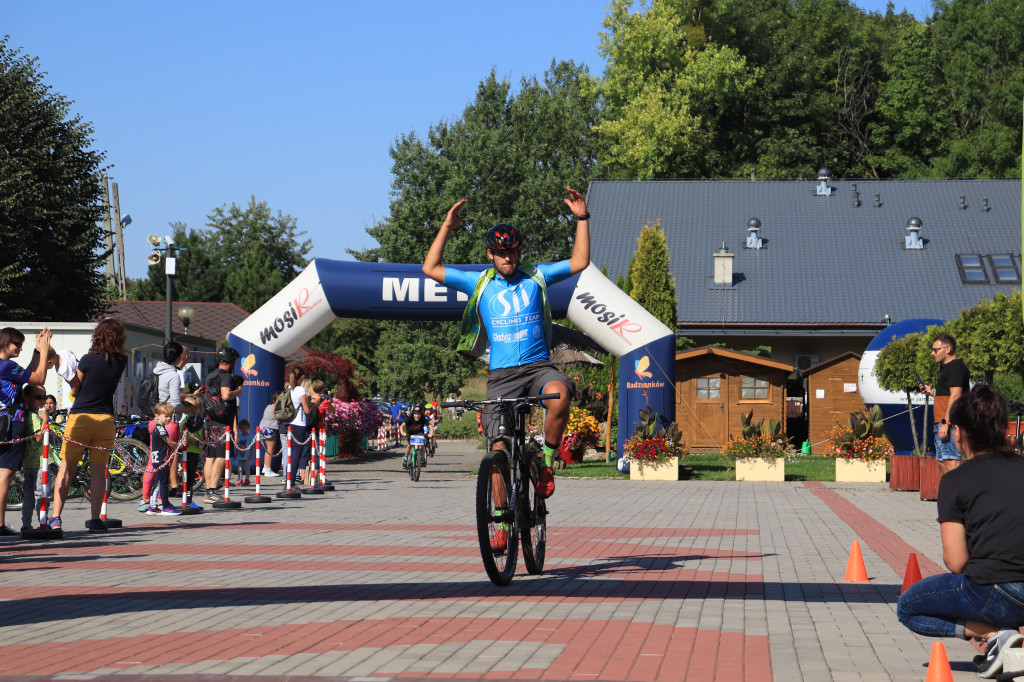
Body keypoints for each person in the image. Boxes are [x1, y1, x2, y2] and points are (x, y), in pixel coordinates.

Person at [422, 187, 589, 550]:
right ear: (490, 255)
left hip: (538, 368)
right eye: (500, 253)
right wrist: (447, 226)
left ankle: (545, 462)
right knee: (496, 448)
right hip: (501, 376)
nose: (507, 257)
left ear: (519, 252)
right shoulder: (477, 282)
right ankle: (499, 520)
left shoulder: (537, 276)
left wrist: (581, 219)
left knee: (560, 395)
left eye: (511, 251)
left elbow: (579, 262)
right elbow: (430, 268)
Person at [897, 384, 1024, 678]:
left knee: (908, 607)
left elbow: (956, 562)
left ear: (960, 433)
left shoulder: (956, 481)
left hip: (995, 591)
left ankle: (992, 634)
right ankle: (1004, 639)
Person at [52, 318, 127, 532]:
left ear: (98, 335)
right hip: (105, 421)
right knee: (98, 472)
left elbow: (76, 389)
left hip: (81, 418)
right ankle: (95, 519)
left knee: (66, 468)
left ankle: (56, 517)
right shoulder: (122, 361)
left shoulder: (87, 359)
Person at [0, 327, 51, 535]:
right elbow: (38, 378)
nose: (20, 348)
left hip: (4, 423)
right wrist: (45, 351)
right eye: (16, 343)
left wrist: (37, 352)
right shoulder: (6, 366)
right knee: (5, 475)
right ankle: (0, 525)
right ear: (4, 342)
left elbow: (26, 374)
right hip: (12, 425)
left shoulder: (6, 367)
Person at [921, 333, 971, 474]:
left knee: (951, 464)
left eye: (935, 350)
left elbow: (956, 395)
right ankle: (950, 495)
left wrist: (947, 422)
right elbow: (948, 395)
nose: (932, 353)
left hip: (948, 424)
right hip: (942, 423)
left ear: (947, 349)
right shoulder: (949, 368)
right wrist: (931, 393)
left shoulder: (955, 366)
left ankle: (960, 496)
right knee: (942, 463)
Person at [202, 347, 243, 505]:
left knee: (210, 456)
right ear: (231, 361)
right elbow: (226, 395)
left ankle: (208, 489)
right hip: (222, 423)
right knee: (221, 456)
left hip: (209, 419)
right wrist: (238, 391)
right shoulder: (226, 377)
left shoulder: (210, 375)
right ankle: (212, 491)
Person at [20, 387, 52, 532]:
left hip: (29, 462)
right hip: (39, 462)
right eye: (38, 397)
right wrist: (45, 419)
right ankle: (42, 522)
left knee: (29, 496)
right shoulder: (33, 416)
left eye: (44, 398)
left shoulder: (28, 415)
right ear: (27, 398)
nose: (43, 401)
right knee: (42, 494)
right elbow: (39, 437)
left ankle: (26, 524)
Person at [145, 402, 181, 516]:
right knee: (164, 483)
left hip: (157, 459)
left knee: (158, 483)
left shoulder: (158, 427)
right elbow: (169, 442)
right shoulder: (160, 428)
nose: (168, 418)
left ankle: (153, 505)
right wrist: (179, 445)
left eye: (170, 415)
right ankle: (165, 506)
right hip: (161, 459)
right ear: (157, 416)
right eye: (166, 416)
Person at [284, 366, 312, 488]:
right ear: (301, 377)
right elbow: (306, 410)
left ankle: (287, 480)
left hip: (288, 423)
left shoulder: (288, 388)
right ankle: (291, 483)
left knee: (289, 453)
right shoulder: (300, 390)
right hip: (299, 424)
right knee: (296, 454)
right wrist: (313, 404)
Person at [400, 404, 431, 469]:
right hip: (410, 433)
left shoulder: (422, 419)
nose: (417, 416)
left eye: (419, 414)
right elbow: (401, 426)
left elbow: (431, 427)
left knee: (421, 445)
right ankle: (405, 458)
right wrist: (402, 432)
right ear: (413, 414)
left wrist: (431, 433)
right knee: (410, 445)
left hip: (419, 432)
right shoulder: (409, 419)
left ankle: (422, 458)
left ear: (421, 414)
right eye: (415, 414)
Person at [258, 393, 281, 476]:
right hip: (269, 427)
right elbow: (279, 417)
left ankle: (265, 467)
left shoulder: (270, 405)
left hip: (264, 427)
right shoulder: (275, 406)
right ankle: (268, 469)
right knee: (270, 449)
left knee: (268, 449)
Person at [234, 419, 252, 486]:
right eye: (242, 428)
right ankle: (240, 479)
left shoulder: (250, 436)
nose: (243, 429)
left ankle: (247, 479)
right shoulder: (239, 436)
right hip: (240, 455)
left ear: (248, 427)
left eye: (245, 428)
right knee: (239, 468)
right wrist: (236, 454)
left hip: (247, 455)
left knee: (247, 468)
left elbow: (252, 446)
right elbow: (237, 446)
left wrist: (251, 455)